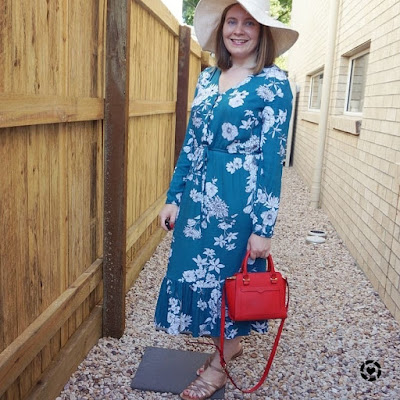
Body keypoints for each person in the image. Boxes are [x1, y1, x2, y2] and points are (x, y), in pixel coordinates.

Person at [155, 1, 298, 399]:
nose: (238, 30)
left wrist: (263, 228)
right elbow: (191, 143)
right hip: (198, 198)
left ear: (262, 32)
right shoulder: (207, 79)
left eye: (248, 23)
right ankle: (227, 345)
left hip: (239, 202)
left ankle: (220, 366)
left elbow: (272, 160)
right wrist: (173, 196)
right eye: (231, 21)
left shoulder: (273, 83)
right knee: (193, 272)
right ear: (221, 29)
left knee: (228, 279)